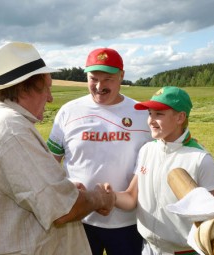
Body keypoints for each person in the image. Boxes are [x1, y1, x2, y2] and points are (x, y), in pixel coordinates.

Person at [0, 42, 115, 255]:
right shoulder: (9, 128)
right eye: (46, 87)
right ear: (25, 87)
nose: (50, 97)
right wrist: (99, 197)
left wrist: (61, 188)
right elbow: (63, 210)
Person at [47, 48, 152, 255]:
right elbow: (50, 162)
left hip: (128, 222)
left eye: (108, 79)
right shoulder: (69, 111)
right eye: (93, 78)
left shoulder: (141, 113)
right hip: (78, 220)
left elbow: (154, 161)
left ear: (122, 76)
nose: (99, 86)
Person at [114, 86, 214, 255]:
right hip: (149, 248)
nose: (151, 120)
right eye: (150, 113)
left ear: (180, 117)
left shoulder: (200, 159)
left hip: (185, 252)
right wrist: (108, 197)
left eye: (159, 114)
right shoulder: (147, 150)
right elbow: (131, 197)